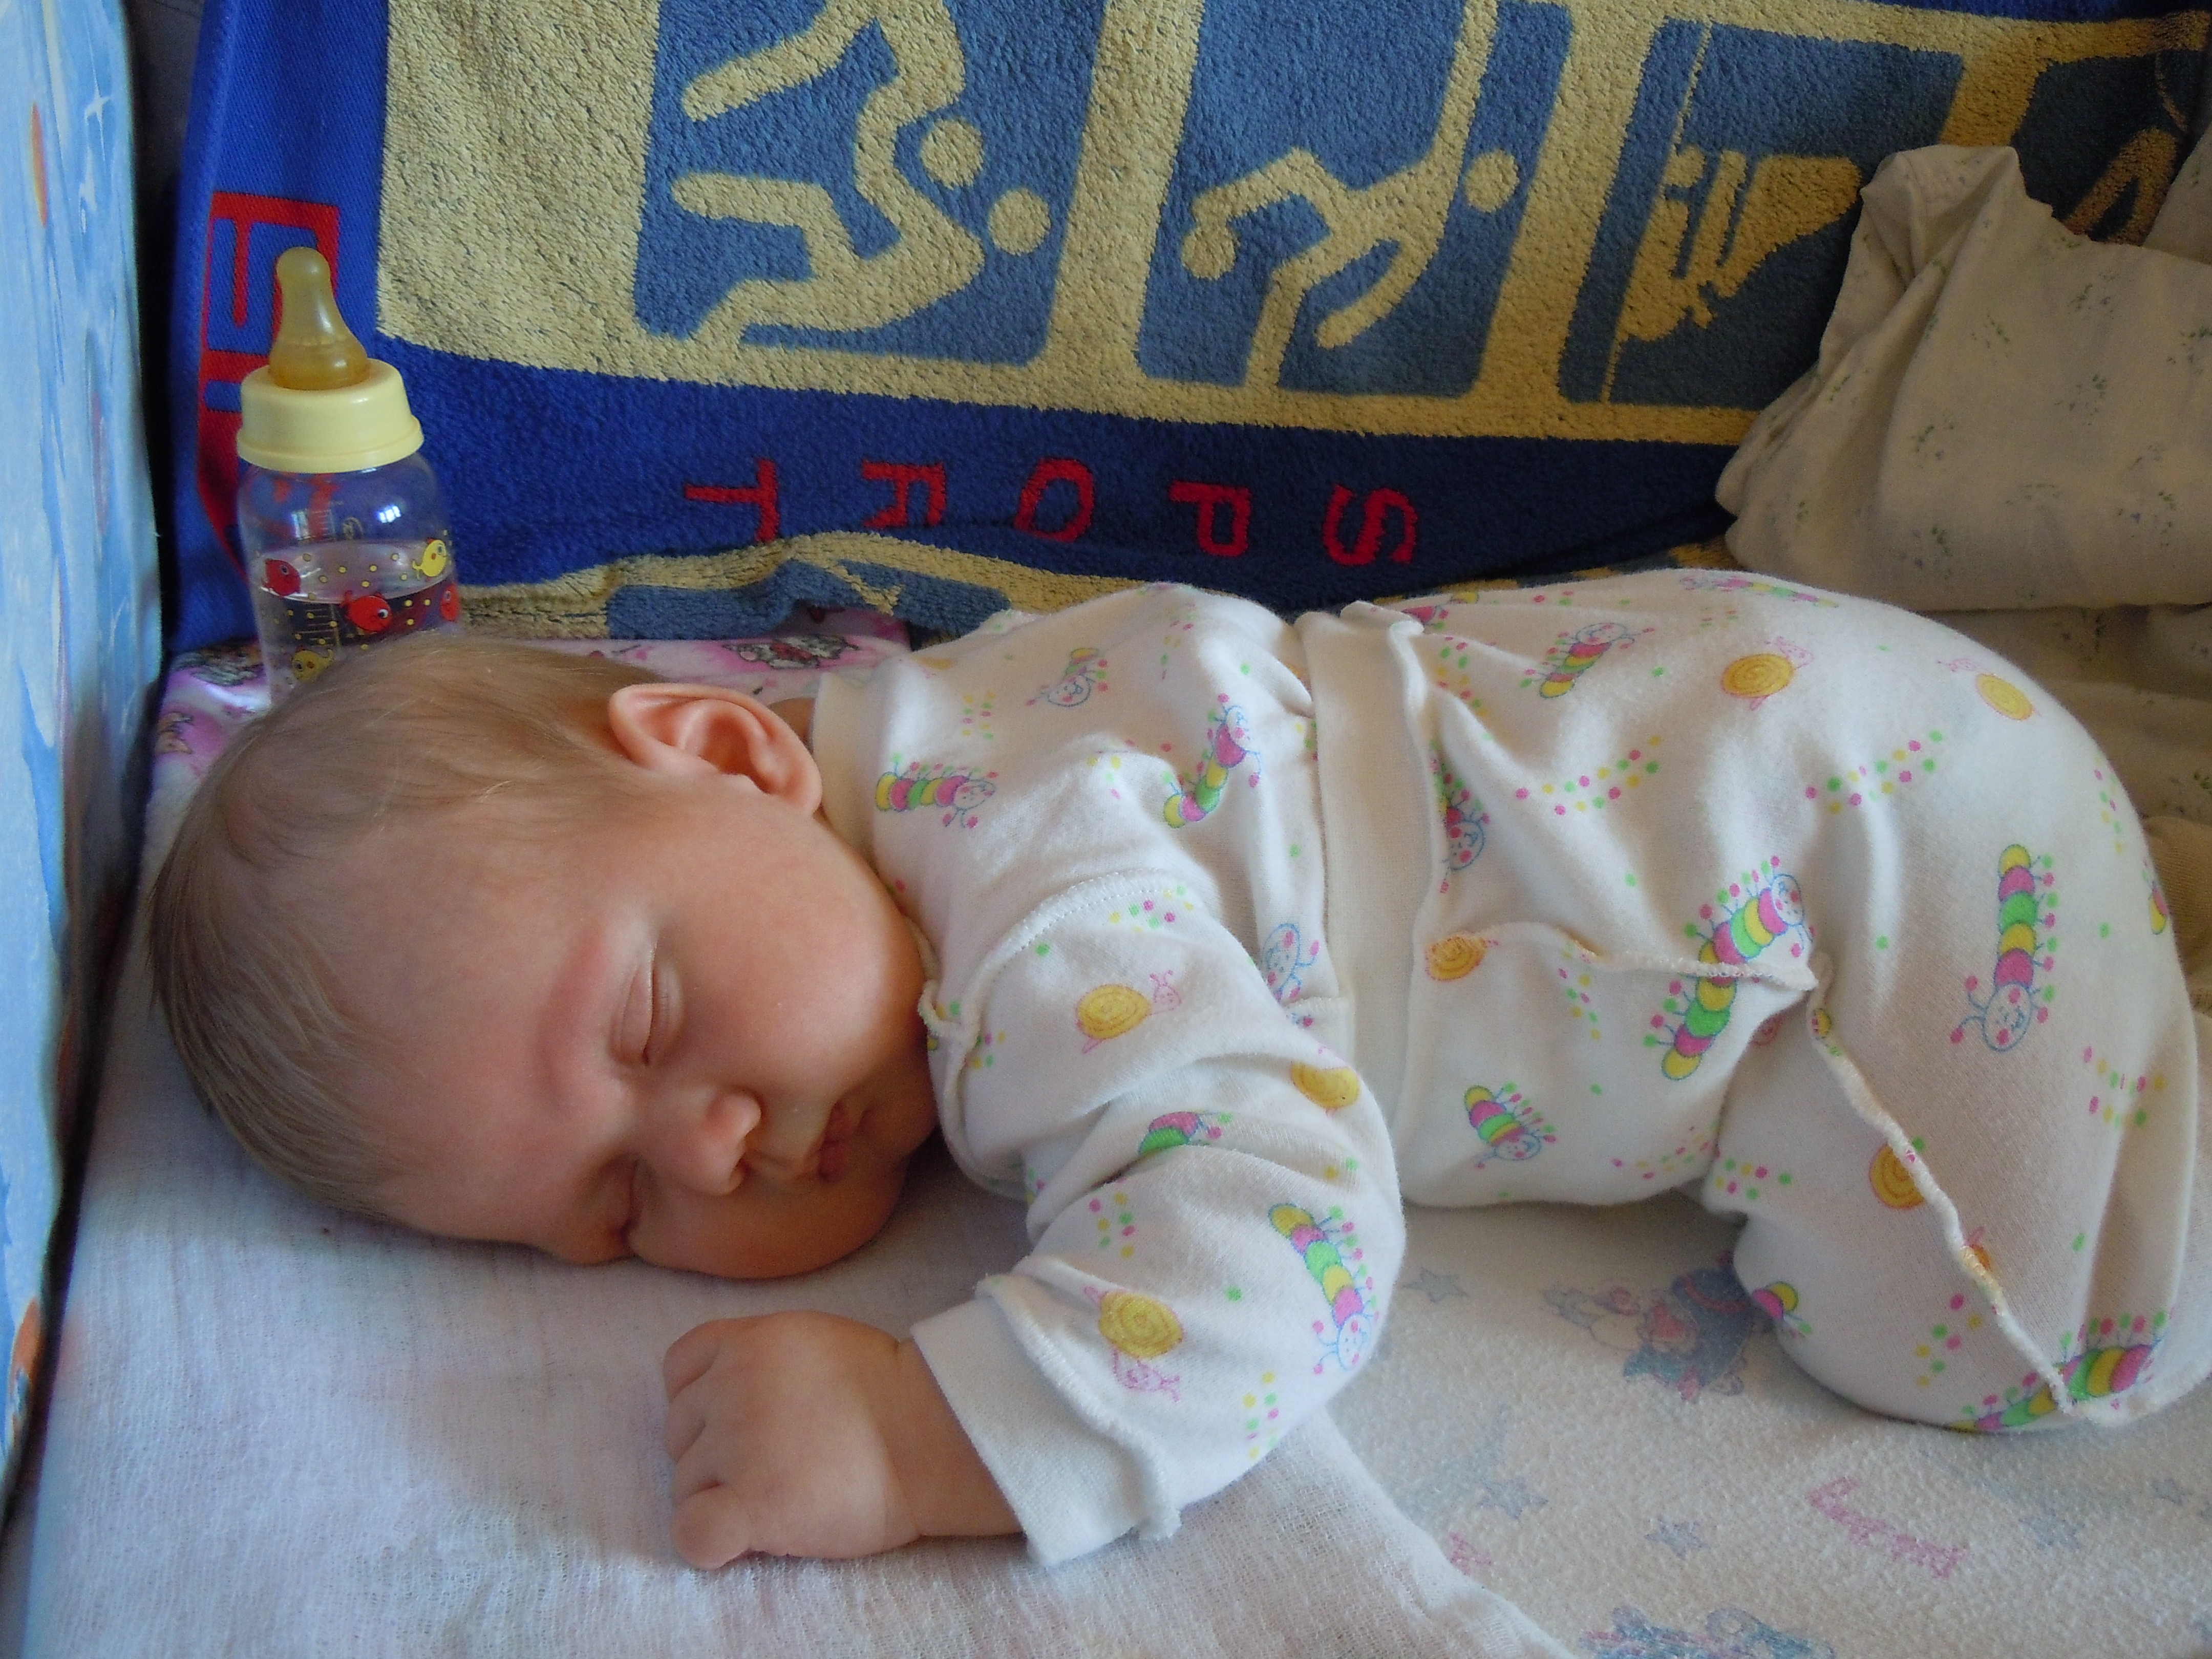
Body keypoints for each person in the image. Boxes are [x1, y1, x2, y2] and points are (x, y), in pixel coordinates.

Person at [148, 571, 2206, 1569]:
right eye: (613, 1209)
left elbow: (1288, 1224)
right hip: (1821, 708)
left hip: (1861, 870)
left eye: (647, 1030)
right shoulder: (931, 721)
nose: (712, 1152)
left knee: (2029, 1348)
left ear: (723, 750)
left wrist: (926, 1436)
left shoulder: (1026, 911)